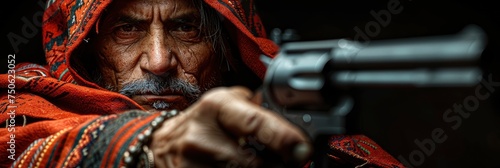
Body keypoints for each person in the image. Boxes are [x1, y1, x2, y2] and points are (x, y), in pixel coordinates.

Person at [0, 0, 405, 167]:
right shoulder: (20, 106)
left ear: (229, 46)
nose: (159, 61)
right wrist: (150, 146)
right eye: (127, 29)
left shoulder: (331, 155)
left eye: (186, 28)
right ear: (85, 49)